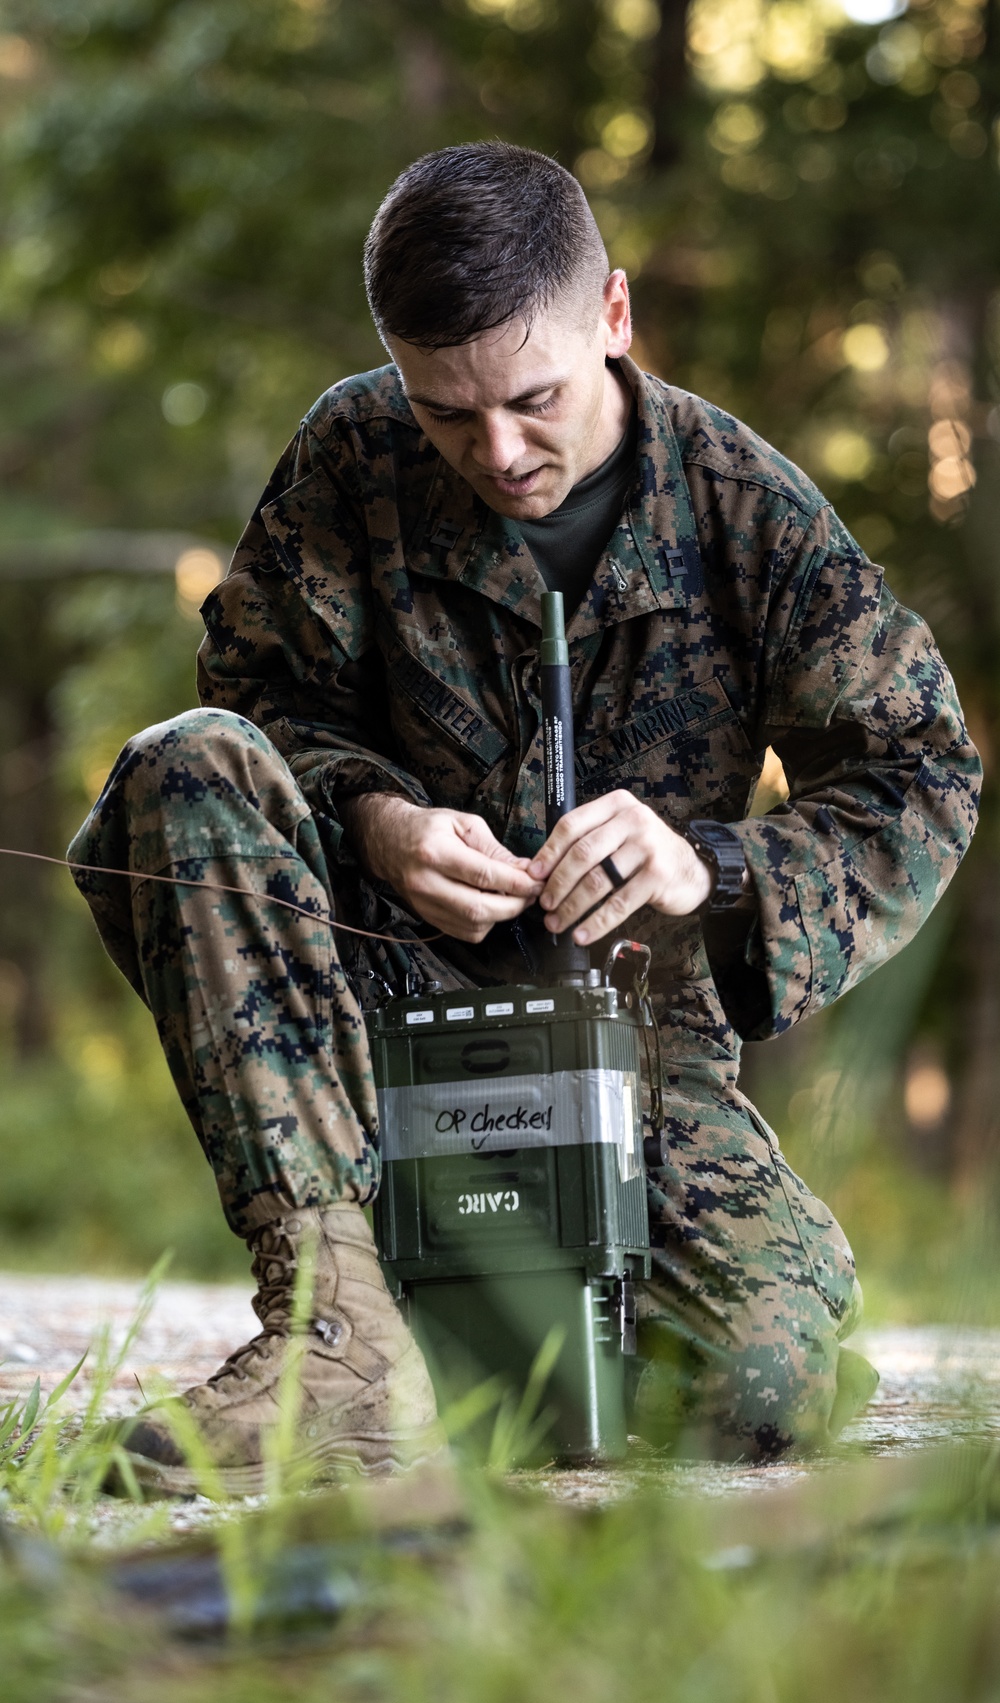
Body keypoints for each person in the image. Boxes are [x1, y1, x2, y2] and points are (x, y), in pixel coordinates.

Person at [69, 142, 981, 1494]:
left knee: (765, 1388)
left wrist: (710, 865)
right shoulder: (351, 452)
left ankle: (464, 1347)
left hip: (633, 1057)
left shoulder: (746, 511)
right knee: (181, 758)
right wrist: (377, 820)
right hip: (375, 1010)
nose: (497, 451)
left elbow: (923, 771)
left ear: (612, 316)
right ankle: (338, 1326)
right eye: (446, 412)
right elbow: (255, 704)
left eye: (532, 399)